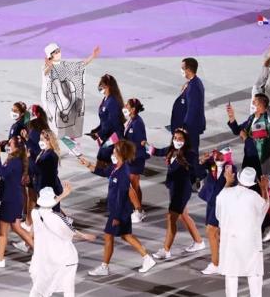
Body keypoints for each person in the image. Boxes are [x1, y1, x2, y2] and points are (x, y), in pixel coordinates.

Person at [79, 140, 156, 276]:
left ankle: (105, 267)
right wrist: (89, 165)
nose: (112, 153)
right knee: (127, 236)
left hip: (119, 211)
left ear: (122, 154)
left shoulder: (123, 174)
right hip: (121, 211)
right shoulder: (116, 167)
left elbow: (122, 196)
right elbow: (103, 172)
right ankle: (147, 258)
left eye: (115, 151)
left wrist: (116, 217)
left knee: (109, 236)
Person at [227, 95, 270, 240]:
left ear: (262, 106)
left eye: (255, 102)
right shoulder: (253, 117)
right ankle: (263, 223)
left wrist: (245, 137)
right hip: (250, 160)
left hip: (258, 164)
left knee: (257, 195)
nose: (252, 103)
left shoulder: (264, 122)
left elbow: (256, 145)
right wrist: (232, 118)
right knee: (251, 194)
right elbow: (239, 130)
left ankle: (267, 224)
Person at [147, 128, 205, 260]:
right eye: (175, 138)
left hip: (181, 190)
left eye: (180, 139)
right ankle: (199, 241)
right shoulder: (171, 149)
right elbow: (157, 151)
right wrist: (144, 145)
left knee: (171, 218)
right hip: (173, 188)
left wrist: (195, 170)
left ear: (185, 141)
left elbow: (198, 170)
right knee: (183, 215)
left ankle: (166, 250)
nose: (177, 141)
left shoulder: (190, 154)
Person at [29, 185, 96, 297]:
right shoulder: (57, 217)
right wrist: (85, 236)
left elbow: (33, 231)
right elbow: (71, 232)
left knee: (38, 287)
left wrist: (63, 195)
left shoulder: (34, 213)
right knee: (68, 288)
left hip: (44, 259)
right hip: (64, 258)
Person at [216, 167, 270, 297]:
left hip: (231, 241)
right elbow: (265, 206)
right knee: (254, 274)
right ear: (253, 182)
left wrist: (228, 181)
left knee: (231, 274)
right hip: (250, 243)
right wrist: (264, 188)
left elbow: (219, 214)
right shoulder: (255, 197)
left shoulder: (224, 194)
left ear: (238, 178)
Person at [0, 137, 34, 268]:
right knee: (16, 227)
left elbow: (1, 172)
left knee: (2, 230)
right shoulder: (15, 159)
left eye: (10, 143)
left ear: (16, 148)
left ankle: (0, 259)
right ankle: (40, 253)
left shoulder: (14, 161)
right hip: (14, 199)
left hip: (10, 200)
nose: (7, 145)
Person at [41, 43, 100, 140]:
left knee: (66, 125)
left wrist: (92, 56)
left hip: (63, 96)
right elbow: (45, 72)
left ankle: (70, 145)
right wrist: (50, 66)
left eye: (59, 50)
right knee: (55, 128)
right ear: (50, 55)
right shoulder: (46, 66)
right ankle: (64, 148)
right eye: (56, 52)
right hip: (50, 100)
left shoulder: (63, 65)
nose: (59, 53)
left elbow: (80, 65)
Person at [198, 148, 236, 275]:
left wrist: (229, 180)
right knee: (218, 234)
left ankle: (216, 264)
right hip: (211, 201)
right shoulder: (212, 164)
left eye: (221, 156)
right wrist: (202, 160)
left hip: (221, 204)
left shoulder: (231, 169)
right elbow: (200, 168)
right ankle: (226, 259)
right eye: (217, 155)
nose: (217, 158)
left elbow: (231, 188)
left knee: (211, 231)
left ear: (227, 157)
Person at [171, 57, 206, 181]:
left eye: (182, 68)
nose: (181, 70)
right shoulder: (194, 83)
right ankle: (193, 176)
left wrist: (184, 128)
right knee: (190, 153)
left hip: (190, 127)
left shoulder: (194, 87)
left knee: (191, 153)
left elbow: (193, 109)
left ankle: (200, 176)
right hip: (191, 126)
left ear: (188, 69)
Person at [21, 105, 51, 231]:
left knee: (39, 197)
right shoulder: (41, 128)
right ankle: (29, 222)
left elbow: (36, 149)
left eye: (30, 112)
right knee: (36, 196)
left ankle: (29, 223)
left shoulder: (34, 132)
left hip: (36, 168)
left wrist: (26, 140)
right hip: (39, 167)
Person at [89, 74, 125, 167]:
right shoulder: (106, 99)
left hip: (115, 136)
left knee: (104, 154)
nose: (100, 87)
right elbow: (104, 120)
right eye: (100, 85)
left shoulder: (112, 102)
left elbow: (111, 123)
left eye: (102, 85)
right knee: (102, 155)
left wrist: (99, 133)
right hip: (108, 134)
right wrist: (97, 130)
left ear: (108, 86)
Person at [122, 98, 147, 223]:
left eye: (127, 105)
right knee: (135, 185)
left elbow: (138, 144)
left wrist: (129, 156)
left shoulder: (137, 123)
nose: (125, 107)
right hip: (132, 157)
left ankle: (138, 211)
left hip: (135, 158)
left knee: (130, 185)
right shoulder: (132, 120)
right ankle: (139, 210)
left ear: (133, 109)